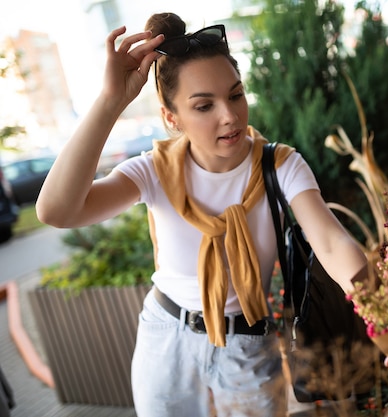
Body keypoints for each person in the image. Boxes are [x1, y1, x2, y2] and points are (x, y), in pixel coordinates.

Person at [36, 12, 370, 417]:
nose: (228, 115)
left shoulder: (279, 165)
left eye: (235, 95)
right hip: (167, 340)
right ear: (171, 117)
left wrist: (385, 313)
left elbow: (333, 244)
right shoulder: (154, 170)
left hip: (248, 344)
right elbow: (56, 210)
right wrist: (111, 102)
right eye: (204, 105)